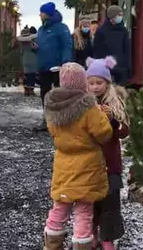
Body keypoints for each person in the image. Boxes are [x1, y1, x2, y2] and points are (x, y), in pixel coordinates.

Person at [42, 62, 113, 250]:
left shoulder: (53, 106)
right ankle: (81, 245)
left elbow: (52, 131)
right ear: (83, 82)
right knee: (84, 211)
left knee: (59, 208)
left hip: (63, 165)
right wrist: (104, 116)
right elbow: (104, 133)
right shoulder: (89, 107)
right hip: (87, 167)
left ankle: (51, 245)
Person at [86, 56, 129, 250]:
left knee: (110, 204)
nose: (95, 87)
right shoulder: (83, 105)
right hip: (89, 163)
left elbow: (123, 131)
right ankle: (92, 234)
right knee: (90, 202)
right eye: (91, 83)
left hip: (110, 164)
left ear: (107, 83)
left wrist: (111, 119)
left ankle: (108, 239)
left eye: (99, 82)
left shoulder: (116, 103)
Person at [33, 2, 73, 131]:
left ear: (48, 14)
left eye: (42, 12)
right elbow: (43, 47)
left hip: (57, 67)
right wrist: (36, 48)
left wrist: (65, 62)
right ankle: (47, 120)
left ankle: (61, 120)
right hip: (44, 67)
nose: (40, 14)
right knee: (45, 94)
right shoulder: (41, 29)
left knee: (59, 94)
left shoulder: (61, 28)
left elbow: (67, 45)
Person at [93, 6, 131, 85]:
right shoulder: (101, 31)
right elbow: (97, 51)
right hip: (107, 68)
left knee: (120, 93)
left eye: (121, 15)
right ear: (112, 16)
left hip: (121, 68)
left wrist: (128, 67)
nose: (120, 17)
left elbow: (127, 50)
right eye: (119, 15)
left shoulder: (123, 30)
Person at [17, 26, 38, 96]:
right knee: (32, 75)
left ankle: (26, 90)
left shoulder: (22, 41)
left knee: (26, 75)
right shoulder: (35, 40)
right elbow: (36, 49)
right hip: (33, 59)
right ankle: (31, 90)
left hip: (25, 59)